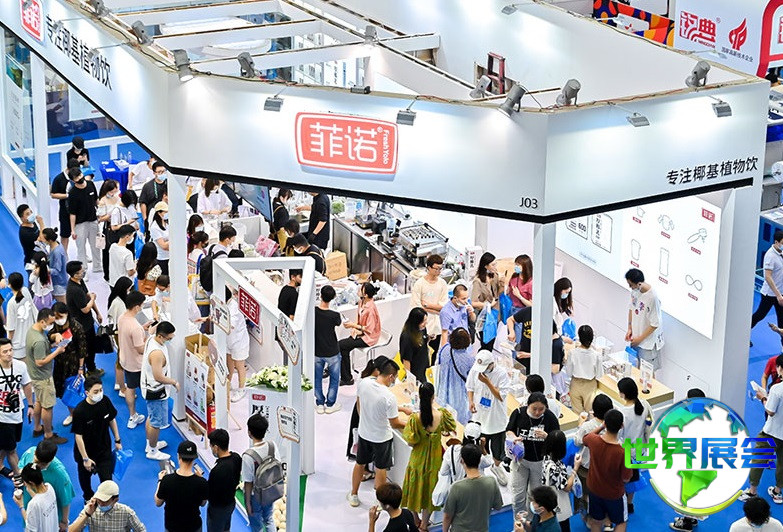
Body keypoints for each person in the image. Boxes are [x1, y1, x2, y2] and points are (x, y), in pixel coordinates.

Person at [348, 360, 411, 507]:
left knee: (360, 463)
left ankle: (354, 494)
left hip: (364, 433)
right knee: (381, 468)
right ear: (390, 376)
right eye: (395, 378)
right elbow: (394, 423)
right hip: (382, 438)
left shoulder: (364, 383)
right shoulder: (389, 397)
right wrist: (409, 423)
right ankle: (379, 501)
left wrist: (400, 408)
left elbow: (360, 405)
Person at [401, 382, 456, 529]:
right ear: (433, 397)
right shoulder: (442, 415)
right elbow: (451, 427)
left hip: (418, 458)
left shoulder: (415, 419)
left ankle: (415, 519)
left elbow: (410, 441)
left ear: (419, 397)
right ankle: (424, 524)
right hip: (435, 459)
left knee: (413, 487)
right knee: (431, 490)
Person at [506, 392, 560, 514]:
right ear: (528, 405)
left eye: (541, 409)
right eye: (534, 408)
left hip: (539, 462)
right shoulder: (519, 413)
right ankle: (519, 520)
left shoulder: (550, 417)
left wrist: (547, 437)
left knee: (535, 496)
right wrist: (514, 438)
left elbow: (558, 439)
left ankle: (531, 520)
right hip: (520, 460)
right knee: (518, 494)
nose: (537, 412)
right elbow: (509, 430)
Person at [71, 375, 120, 501]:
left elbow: (111, 420)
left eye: (101, 390)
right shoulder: (80, 411)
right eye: (96, 391)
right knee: (85, 480)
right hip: (86, 453)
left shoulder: (105, 401)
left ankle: (106, 502)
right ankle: (88, 497)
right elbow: (78, 436)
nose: (100, 393)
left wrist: (117, 440)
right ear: (87, 393)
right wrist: (85, 458)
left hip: (104, 450)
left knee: (107, 481)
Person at [466, 351, 511, 486]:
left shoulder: (501, 374)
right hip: (480, 416)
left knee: (498, 449)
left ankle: (496, 467)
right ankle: (480, 470)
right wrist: (471, 401)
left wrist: (487, 382)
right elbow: (470, 387)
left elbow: (500, 396)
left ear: (491, 364)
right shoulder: (475, 370)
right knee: (480, 447)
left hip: (496, 419)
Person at [584, 409, 632, 532]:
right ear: (621, 426)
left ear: (605, 423)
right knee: (621, 522)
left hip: (594, 490)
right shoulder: (623, 452)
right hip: (614, 494)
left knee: (596, 521)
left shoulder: (593, 440)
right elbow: (626, 478)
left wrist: (601, 427)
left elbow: (586, 437)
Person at [744, 354, 783, 504]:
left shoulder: (777, 389)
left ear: (780, 368)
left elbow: (770, 411)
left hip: (771, 432)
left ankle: (752, 491)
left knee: (758, 459)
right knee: (782, 464)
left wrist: (763, 398)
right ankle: (777, 492)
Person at [26, 309, 68, 444]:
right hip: (43, 377)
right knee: (48, 406)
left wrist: (53, 344)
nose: (51, 326)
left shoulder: (33, 330)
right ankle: (48, 435)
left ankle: (37, 427)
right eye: (50, 323)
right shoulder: (38, 340)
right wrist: (58, 351)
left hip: (35, 376)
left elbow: (41, 350)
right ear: (43, 321)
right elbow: (40, 361)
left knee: (39, 401)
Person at [441, 444, 503, 532]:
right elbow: (498, 506)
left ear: (462, 461)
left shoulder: (456, 487)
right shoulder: (491, 481)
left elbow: (447, 516)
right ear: (479, 460)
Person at [18, 440, 76, 529]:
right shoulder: (29, 453)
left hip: (50, 516)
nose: (37, 466)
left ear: (51, 460)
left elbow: (66, 500)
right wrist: (21, 477)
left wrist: (64, 521)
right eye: (36, 461)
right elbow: (20, 468)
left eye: (42, 464)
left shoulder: (60, 474)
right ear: (35, 452)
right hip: (29, 505)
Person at [141, 321, 178, 460]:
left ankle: (150, 443)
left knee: (151, 417)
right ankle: (152, 450)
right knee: (155, 423)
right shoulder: (156, 354)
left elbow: (152, 330)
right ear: (161, 336)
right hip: (156, 391)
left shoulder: (152, 338)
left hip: (148, 386)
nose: (170, 340)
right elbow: (158, 376)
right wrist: (174, 382)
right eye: (169, 338)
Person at [0, 338, 33, 488]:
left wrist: (30, 405)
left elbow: (26, 384)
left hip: (17, 412)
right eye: (5, 352)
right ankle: (19, 477)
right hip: (2, 417)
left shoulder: (20, 366)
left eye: (10, 350)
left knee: (5, 445)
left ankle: (0, 466)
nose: (9, 353)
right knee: (11, 450)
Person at [155, 441, 209, 532]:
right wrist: (200, 479)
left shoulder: (167, 480)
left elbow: (158, 502)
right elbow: (203, 503)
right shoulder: (202, 482)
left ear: (178, 456)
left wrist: (160, 481)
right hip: (193, 527)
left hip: (172, 527)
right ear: (194, 458)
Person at [572, 394, 612, 517]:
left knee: (584, 493)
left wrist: (580, 425)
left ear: (593, 410)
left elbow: (577, 441)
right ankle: (602, 515)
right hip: (604, 468)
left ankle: (586, 516)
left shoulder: (587, 426)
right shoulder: (612, 425)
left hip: (586, 467)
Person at [616, 376, 652, 512]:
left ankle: (623, 504)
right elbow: (649, 425)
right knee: (633, 477)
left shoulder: (622, 412)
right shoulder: (645, 405)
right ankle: (630, 503)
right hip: (640, 449)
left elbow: (619, 435)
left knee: (623, 479)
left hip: (625, 451)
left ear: (623, 394)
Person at [346, 356, 390, 465]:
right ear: (377, 370)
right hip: (363, 412)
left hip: (365, 410)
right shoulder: (365, 381)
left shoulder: (367, 378)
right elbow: (359, 403)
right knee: (360, 441)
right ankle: (364, 467)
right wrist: (364, 419)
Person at [49, 302, 86, 428]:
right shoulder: (55, 326)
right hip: (60, 363)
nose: (58, 320)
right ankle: (72, 414)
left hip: (74, 364)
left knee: (77, 391)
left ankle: (82, 415)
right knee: (65, 390)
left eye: (60, 316)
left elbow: (82, 350)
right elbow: (49, 336)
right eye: (56, 317)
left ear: (67, 314)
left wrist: (81, 367)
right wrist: (55, 335)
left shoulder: (77, 327)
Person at [243, 414, 280, 532]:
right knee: (269, 519)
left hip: (256, 495)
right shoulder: (272, 446)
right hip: (270, 490)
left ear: (249, 432)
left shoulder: (248, 456)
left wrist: (247, 503)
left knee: (256, 525)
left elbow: (248, 482)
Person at [339, 282, 381, 386]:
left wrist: (353, 325)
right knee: (342, 347)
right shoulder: (361, 302)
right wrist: (355, 328)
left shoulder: (370, 309)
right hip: (361, 333)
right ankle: (346, 377)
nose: (358, 290)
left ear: (365, 295)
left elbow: (369, 329)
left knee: (341, 345)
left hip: (369, 338)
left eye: (361, 289)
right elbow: (360, 321)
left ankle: (346, 378)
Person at [118, 291, 148, 430]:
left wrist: (142, 329)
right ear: (136, 307)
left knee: (130, 388)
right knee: (148, 390)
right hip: (137, 364)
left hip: (126, 360)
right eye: (141, 305)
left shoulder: (122, 317)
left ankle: (132, 415)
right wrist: (149, 337)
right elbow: (141, 349)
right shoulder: (135, 327)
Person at [410, 254, 449, 360]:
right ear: (429, 268)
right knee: (419, 355)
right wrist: (435, 309)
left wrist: (427, 306)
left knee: (433, 354)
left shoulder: (442, 284)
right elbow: (416, 307)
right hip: (422, 326)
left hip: (437, 326)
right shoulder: (420, 284)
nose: (438, 271)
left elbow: (443, 306)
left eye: (440, 269)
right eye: (436, 269)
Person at [624, 268, 664, 370]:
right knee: (636, 369)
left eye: (631, 285)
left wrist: (639, 339)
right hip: (636, 339)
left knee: (648, 372)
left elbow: (655, 324)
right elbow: (631, 308)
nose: (630, 287)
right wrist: (630, 328)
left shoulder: (652, 298)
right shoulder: (635, 292)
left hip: (648, 344)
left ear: (639, 284)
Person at [68, 479, 146, 531]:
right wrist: (87, 514)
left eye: (105, 501)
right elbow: (71, 531)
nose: (101, 504)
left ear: (115, 500)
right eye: (99, 500)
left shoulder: (126, 512)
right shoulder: (90, 508)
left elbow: (141, 530)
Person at [66, 261, 101, 375]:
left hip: (88, 322)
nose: (83, 272)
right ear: (75, 274)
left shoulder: (80, 282)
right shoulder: (74, 290)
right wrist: (93, 299)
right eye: (81, 271)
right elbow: (85, 308)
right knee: (84, 349)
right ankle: (86, 371)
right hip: (81, 326)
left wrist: (97, 312)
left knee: (92, 347)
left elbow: (88, 296)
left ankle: (91, 368)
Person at [541, 430, 580, 531]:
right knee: (563, 527)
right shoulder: (553, 467)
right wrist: (575, 469)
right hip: (558, 504)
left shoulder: (547, 458)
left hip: (550, 500)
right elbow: (566, 487)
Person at [436, 328, 474, 425]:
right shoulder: (469, 360)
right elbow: (472, 380)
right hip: (459, 397)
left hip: (442, 391)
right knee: (458, 422)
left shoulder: (444, 349)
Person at [314, 285, 342, 414]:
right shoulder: (334, 315)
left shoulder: (313, 312)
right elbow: (339, 323)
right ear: (333, 298)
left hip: (317, 350)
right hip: (332, 351)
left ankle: (320, 403)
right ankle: (330, 404)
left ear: (320, 296)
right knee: (334, 379)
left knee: (317, 378)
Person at [206, 429, 241, 532]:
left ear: (216, 448)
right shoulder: (236, 458)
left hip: (217, 510)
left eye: (211, 447)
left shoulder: (217, 471)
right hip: (230, 503)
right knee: (226, 528)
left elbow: (209, 493)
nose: (211, 449)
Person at [752, 230, 783, 348]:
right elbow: (768, 277)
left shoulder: (781, 253)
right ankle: (742, 334)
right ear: (776, 242)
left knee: (782, 320)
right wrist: (778, 295)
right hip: (769, 295)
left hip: (781, 293)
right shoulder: (770, 256)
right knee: (759, 315)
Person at [68, 168, 101, 274]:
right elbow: (72, 213)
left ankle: (97, 266)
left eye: (80, 175)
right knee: (81, 248)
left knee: (96, 246)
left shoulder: (91, 184)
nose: (79, 178)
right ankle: (83, 270)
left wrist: (101, 213)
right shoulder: (73, 193)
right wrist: (72, 230)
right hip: (80, 224)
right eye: (76, 177)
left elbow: (96, 201)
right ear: (73, 180)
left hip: (93, 220)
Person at [471, 252, 504, 352]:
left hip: (495, 314)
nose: (495, 267)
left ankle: (487, 358)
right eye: (493, 265)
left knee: (492, 342)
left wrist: (502, 284)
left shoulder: (495, 276)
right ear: (486, 266)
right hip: (484, 316)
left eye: (495, 264)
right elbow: (473, 302)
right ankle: (482, 359)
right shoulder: (478, 281)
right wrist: (488, 305)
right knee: (486, 343)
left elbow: (498, 294)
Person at [566, 324, 602, 415]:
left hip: (575, 383)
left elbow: (568, 372)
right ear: (592, 338)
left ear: (579, 337)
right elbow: (599, 375)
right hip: (590, 385)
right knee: (590, 413)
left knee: (577, 414)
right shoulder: (596, 355)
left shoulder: (572, 353)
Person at [106, 278, 133, 395]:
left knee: (120, 359)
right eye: (128, 289)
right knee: (121, 361)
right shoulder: (118, 304)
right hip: (120, 334)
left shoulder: (116, 299)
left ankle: (118, 382)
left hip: (118, 333)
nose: (129, 291)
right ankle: (122, 388)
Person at [14, 463, 58, 532]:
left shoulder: (33, 504)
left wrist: (21, 505)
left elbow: (30, 528)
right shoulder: (50, 487)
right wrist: (29, 489)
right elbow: (42, 501)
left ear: (31, 482)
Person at [51, 158, 80, 255]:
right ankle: (64, 254)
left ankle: (82, 252)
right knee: (65, 234)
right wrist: (68, 195)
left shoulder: (78, 176)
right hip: (65, 210)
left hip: (78, 210)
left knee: (80, 233)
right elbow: (53, 194)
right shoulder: (59, 179)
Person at [226, 288, 249, 402]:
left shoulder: (234, 307)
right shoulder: (225, 304)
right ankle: (228, 383)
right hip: (229, 340)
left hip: (239, 341)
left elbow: (231, 326)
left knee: (239, 365)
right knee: (229, 362)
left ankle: (241, 389)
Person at [6, 272, 36, 361]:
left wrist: (8, 342)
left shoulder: (11, 303)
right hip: (30, 338)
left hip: (18, 345)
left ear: (10, 285)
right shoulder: (26, 291)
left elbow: (11, 328)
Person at [97, 179, 122, 282]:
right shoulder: (103, 201)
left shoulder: (117, 198)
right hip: (108, 227)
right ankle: (107, 274)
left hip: (118, 225)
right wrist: (111, 214)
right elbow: (100, 218)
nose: (113, 194)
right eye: (112, 192)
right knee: (107, 251)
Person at [399, 308, 430, 385]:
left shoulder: (422, 329)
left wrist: (429, 338)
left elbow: (423, 341)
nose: (425, 323)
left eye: (426, 320)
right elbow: (406, 360)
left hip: (423, 368)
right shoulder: (407, 337)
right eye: (423, 321)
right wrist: (409, 379)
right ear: (416, 322)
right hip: (415, 371)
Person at [109, 189, 140, 254]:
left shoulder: (131, 207)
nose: (132, 204)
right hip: (122, 238)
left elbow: (134, 219)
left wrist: (136, 224)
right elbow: (113, 227)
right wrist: (127, 223)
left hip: (131, 236)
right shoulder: (116, 211)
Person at [41, 229, 68, 303]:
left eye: (44, 238)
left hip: (59, 283)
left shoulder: (57, 252)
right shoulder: (55, 244)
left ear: (49, 240)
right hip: (56, 281)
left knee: (63, 305)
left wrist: (45, 269)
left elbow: (57, 270)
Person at [139, 162, 168, 226]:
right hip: (153, 215)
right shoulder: (148, 186)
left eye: (164, 171)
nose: (162, 173)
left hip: (167, 214)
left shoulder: (169, 183)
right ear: (154, 173)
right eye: (159, 172)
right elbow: (143, 203)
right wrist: (145, 219)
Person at [149, 202, 170, 275]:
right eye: (165, 212)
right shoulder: (155, 227)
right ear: (159, 213)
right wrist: (172, 241)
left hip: (170, 256)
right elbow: (163, 246)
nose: (167, 214)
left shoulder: (167, 223)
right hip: (162, 258)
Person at [553, 278, 574, 343]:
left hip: (558, 335)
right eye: (566, 292)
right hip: (554, 336)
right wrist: (561, 338)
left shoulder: (559, 302)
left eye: (568, 293)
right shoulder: (553, 303)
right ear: (560, 289)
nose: (567, 295)